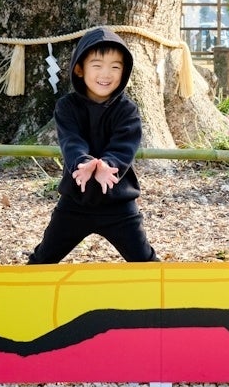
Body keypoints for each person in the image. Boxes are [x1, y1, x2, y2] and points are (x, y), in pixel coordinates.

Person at [27, 27, 159, 264]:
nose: (106, 74)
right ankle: (23, 287)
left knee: (145, 262)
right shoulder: (66, 106)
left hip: (118, 204)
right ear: (79, 69)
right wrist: (84, 163)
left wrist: (107, 165)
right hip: (75, 202)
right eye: (97, 65)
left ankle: (164, 289)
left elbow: (124, 146)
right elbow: (71, 141)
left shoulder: (127, 110)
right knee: (42, 261)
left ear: (124, 71)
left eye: (115, 67)